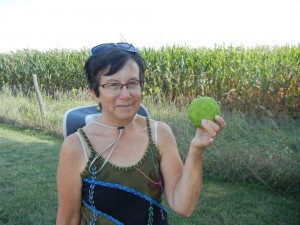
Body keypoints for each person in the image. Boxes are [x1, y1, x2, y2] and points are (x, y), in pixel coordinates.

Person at [56, 42, 226, 225]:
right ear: (95, 93)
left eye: (132, 83)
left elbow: (184, 206)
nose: (126, 94)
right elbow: (69, 219)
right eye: (113, 85)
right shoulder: (76, 147)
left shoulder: (159, 133)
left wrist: (196, 150)